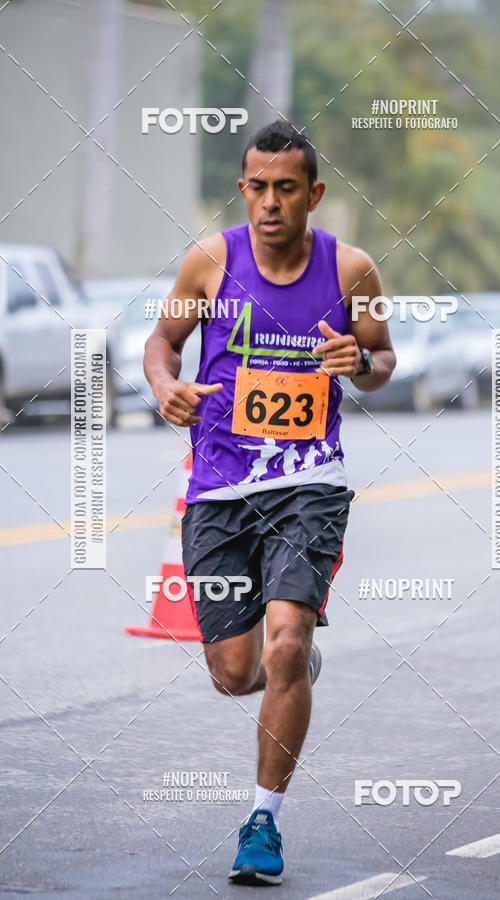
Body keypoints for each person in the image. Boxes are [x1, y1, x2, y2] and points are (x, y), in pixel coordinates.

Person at [143, 120, 396, 886]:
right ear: (244, 189)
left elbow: (383, 358)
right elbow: (161, 343)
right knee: (231, 672)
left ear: (312, 194)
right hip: (220, 487)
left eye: (287, 188)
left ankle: (262, 821)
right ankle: (292, 665)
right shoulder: (210, 263)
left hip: (309, 484)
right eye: (257, 187)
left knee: (283, 643)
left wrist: (364, 361)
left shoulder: (351, 269)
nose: (270, 203)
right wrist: (165, 389)